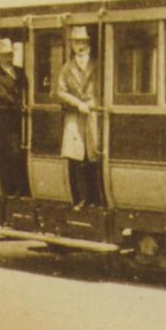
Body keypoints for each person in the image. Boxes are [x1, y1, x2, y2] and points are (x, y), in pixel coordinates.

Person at [57, 26, 100, 210]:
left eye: (83, 42)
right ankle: (81, 198)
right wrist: (77, 103)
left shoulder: (97, 65)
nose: (80, 46)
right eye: (76, 43)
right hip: (75, 116)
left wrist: (91, 103)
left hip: (93, 114)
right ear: (72, 45)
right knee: (76, 157)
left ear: (88, 43)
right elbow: (60, 91)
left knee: (94, 155)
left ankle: (96, 198)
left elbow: (105, 88)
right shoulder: (67, 68)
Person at [0, 38, 29, 197]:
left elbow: (26, 87)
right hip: (8, 120)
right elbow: (4, 97)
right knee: (13, 152)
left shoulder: (19, 71)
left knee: (22, 151)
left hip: (21, 118)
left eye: (10, 54)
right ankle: (16, 188)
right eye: (5, 55)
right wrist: (21, 104)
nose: (9, 58)